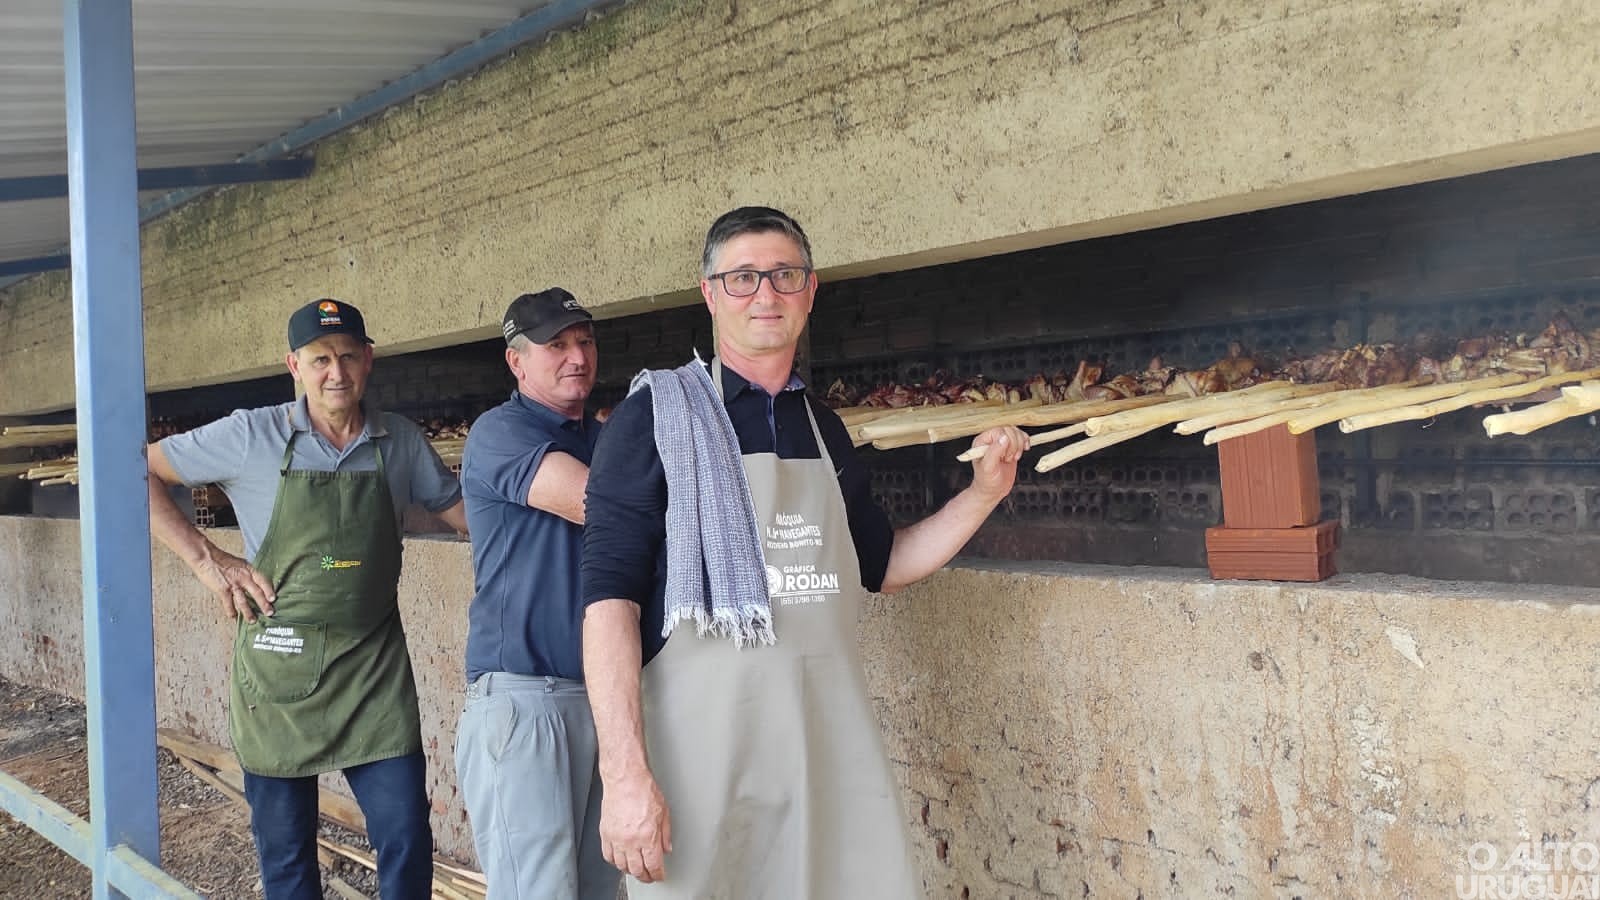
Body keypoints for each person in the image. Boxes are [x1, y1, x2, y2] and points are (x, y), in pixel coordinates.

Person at [579, 206, 1031, 898]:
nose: (766, 294)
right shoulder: (653, 421)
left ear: (810, 291)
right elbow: (608, 602)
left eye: (785, 275)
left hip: (827, 758)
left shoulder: (825, 429)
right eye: (743, 278)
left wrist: (983, 493)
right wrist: (624, 774)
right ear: (709, 293)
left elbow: (882, 567)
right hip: (702, 770)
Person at [147, 298, 468, 900]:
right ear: (294, 364)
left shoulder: (397, 440)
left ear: (368, 360)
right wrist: (205, 559)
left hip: (371, 672)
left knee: (404, 834)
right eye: (320, 359)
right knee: (287, 850)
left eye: (348, 356)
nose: (336, 372)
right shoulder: (251, 435)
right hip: (279, 672)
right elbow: (136, 470)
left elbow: (465, 517)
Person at [454, 288, 617, 900]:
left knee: (600, 889)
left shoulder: (597, 441)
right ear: (517, 362)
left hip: (599, 698)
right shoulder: (501, 432)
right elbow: (600, 506)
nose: (576, 356)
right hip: (526, 700)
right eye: (556, 346)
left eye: (584, 341)